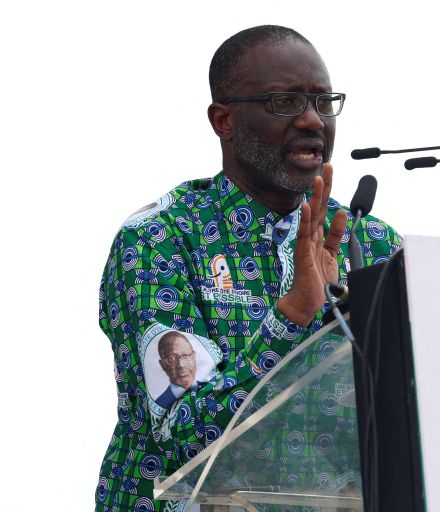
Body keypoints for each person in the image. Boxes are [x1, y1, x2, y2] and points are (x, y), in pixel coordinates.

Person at [95, 25, 401, 511]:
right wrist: (292, 316)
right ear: (225, 120)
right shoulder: (161, 238)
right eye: (285, 102)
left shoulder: (372, 243)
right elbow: (184, 435)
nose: (312, 120)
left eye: (323, 102)